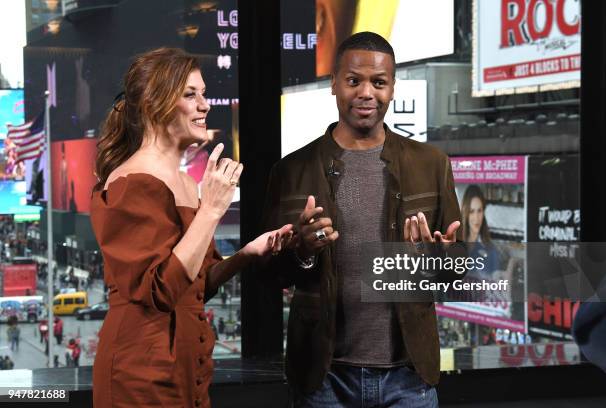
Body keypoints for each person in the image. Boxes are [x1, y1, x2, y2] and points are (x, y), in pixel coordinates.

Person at [262, 32, 461, 407]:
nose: (366, 93)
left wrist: (438, 257)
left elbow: (458, 270)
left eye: (378, 82)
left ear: (392, 89)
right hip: (324, 378)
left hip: (409, 376)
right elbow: (268, 276)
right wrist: (302, 251)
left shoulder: (431, 164)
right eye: (354, 81)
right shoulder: (290, 171)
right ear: (334, 84)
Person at [89, 48, 292, 408]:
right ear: (155, 103)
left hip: (185, 364)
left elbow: (196, 285)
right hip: (141, 371)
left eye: (204, 93)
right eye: (190, 94)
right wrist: (212, 208)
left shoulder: (184, 182)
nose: (205, 105)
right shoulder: (132, 180)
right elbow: (160, 292)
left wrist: (245, 254)